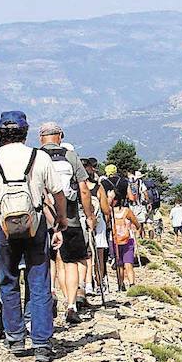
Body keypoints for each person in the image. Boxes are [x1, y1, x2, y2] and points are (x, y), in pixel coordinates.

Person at [0, 111, 66, 362]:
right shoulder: (38, 157)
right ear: (25, 133)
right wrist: (61, 220)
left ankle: (15, 338)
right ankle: (42, 342)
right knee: (39, 282)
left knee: (9, 280)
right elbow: (58, 192)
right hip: (35, 227)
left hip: (4, 229)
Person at [38, 124, 95, 325]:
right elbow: (84, 190)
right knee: (70, 262)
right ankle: (71, 305)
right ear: (60, 136)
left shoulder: (35, 157)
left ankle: (52, 292)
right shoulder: (71, 156)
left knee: (51, 261)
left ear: (40, 138)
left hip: (43, 220)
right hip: (70, 219)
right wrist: (89, 216)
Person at [83, 157, 110, 295]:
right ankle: (99, 283)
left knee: (86, 255)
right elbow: (106, 209)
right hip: (98, 224)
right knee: (99, 254)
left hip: (82, 222)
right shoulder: (98, 188)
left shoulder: (79, 187)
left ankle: (87, 284)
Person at [111, 196, 141, 288]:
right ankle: (132, 284)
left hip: (114, 239)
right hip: (128, 239)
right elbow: (137, 224)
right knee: (128, 263)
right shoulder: (127, 211)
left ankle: (121, 284)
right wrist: (138, 231)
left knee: (119, 263)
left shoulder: (109, 211)